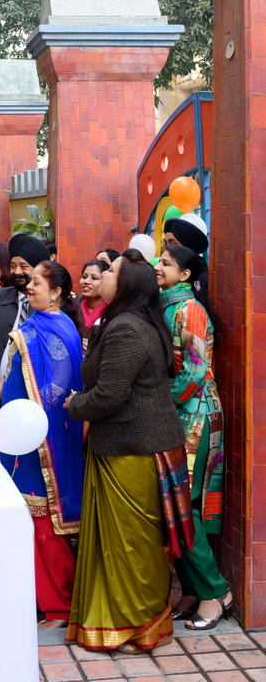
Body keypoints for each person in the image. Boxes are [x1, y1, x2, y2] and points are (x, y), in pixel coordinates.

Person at [65, 251, 186, 652]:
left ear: (128, 284)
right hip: (128, 445)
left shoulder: (126, 329)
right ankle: (130, 622)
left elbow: (109, 396)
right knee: (126, 543)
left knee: (132, 544)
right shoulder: (126, 322)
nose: (102, 275)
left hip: (133, 447)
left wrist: (74, 405)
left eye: (112, 271)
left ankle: (139, 626)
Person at [0, 262, 85, 625]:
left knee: (43, 518)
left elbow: (59, 388)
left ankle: (60, 603)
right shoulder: (37, 326)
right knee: (29, 519)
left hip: (38, 442)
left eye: (36, 282)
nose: (28, 287)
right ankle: (41, 597)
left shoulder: (56, 329)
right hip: (19, 436)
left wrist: (30, 425)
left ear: (56, 292)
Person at [156, 246, 231, 629]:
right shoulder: (167, 307)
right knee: (175, 505)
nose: (158, 266)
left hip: (197, 415)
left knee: (186, 505)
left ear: (185, 275)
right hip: (178, 415)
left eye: (166, 263)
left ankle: (216, 592)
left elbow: (197, 371)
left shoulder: (190, 311)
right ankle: (190, 589)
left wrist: (159, 400)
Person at [0, 234, 50, 407]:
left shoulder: (50, 307)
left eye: (24, 266)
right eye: (13, 266)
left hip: (34, 402)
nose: (17, 272)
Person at [163, 217, 210, 304]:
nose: (167, 249)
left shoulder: (205, 281)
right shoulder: (166, 275)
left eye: (173, 244)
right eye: (166, 243)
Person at [78, 259, 109, 335]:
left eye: (94, 278)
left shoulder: (111, 311)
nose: (86, 281)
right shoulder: (74, 308)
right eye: (84, 277)